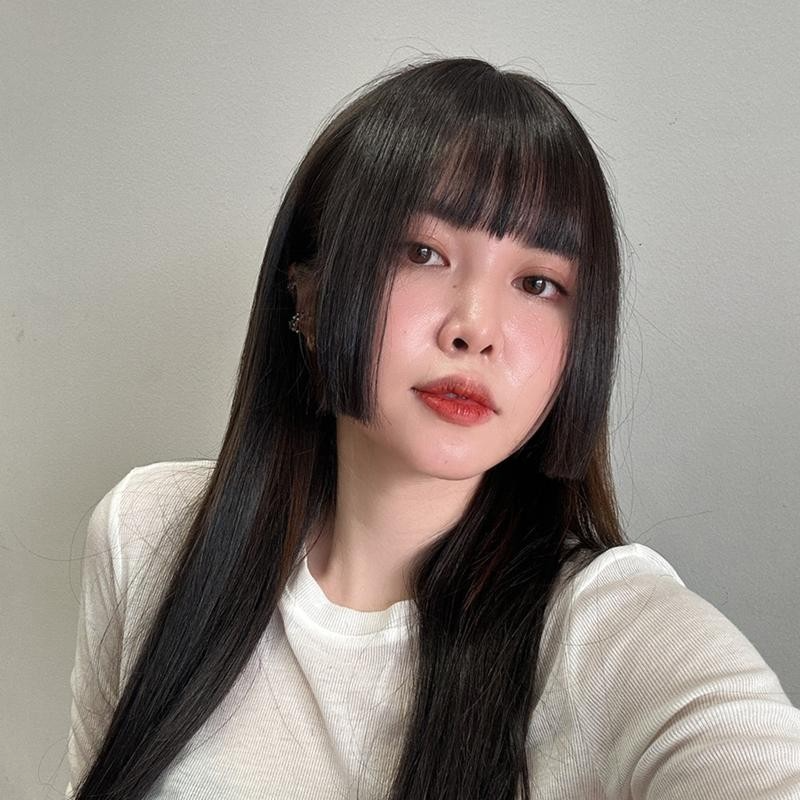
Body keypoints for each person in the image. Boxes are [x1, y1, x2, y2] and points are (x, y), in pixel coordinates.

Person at [65, 56, 800, 800]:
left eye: (538, 283)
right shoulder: (147, 536)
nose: (476, 328)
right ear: (308, 293)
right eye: (423, 253)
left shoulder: (607, 632)